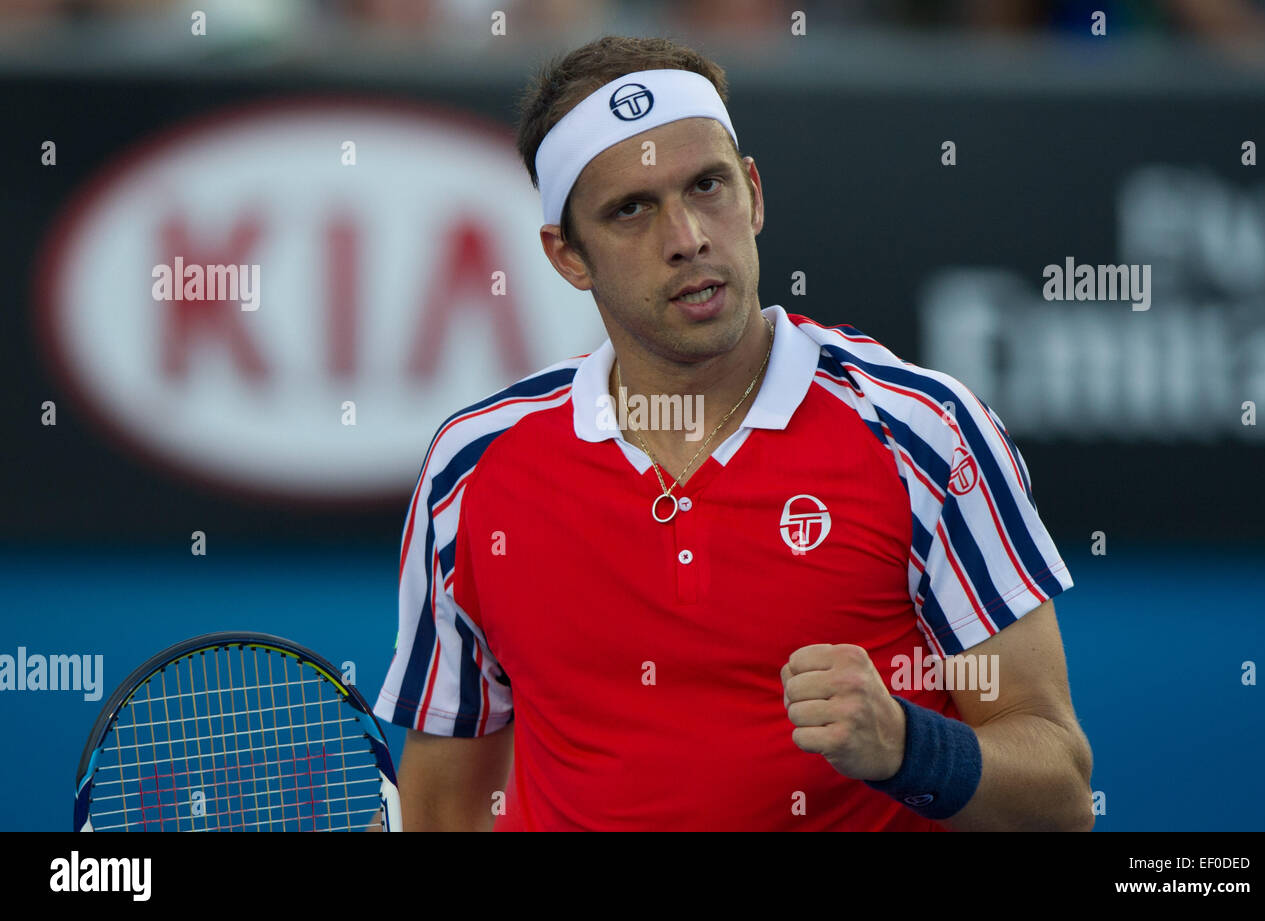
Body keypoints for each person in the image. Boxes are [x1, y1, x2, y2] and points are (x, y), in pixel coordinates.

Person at [374, 35, 1094, 831]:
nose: (686, 236)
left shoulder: (925, 432)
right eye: (631, 209)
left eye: (706, 185)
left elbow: (1060, 795)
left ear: (752, 193)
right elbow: (445, 810)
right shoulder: (471, 470)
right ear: (567, 255)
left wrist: (908, 745)